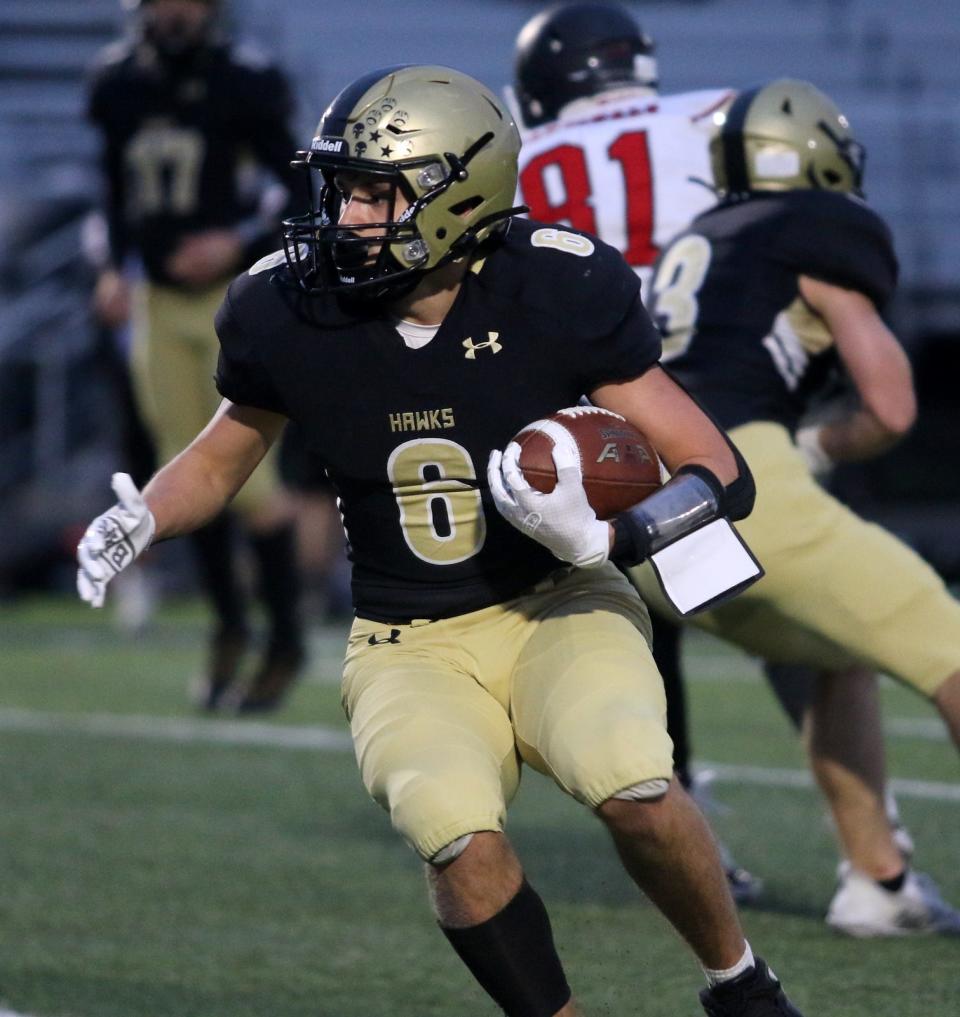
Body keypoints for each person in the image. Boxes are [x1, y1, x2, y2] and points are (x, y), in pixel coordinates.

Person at [76, 64, 805, 1017]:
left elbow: (720, 471)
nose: (346, 215)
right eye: (341, 188)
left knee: (627, 774)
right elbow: (219, 459)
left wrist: (610, 532)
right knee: (451, 827)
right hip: (404, 636)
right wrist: (144, 517)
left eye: (379, 191)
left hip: (559, 601)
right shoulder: (285, 306)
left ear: (460, 195)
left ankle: (740, 982)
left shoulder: (556, 284)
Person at [511, 0, 923, 923]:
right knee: (808, 611)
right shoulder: (715, 115)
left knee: (635, 628)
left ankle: (690, 828)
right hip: (719, 410)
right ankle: (878, 860)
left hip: (594, 426)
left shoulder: (521, 161)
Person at [631, 76, 960, 937]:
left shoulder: (695, 237)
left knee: (834, 653)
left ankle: (880, 886)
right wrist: (821, 445)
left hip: (653, 516)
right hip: (744, 478)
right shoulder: (816, 229)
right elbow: (891, 410)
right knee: (952, 649)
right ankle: (878, 879)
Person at [86, 0, 306, 711]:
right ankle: (231, 627)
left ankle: (286, 639)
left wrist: (237, 244)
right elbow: (114, 191)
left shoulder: (247, 79)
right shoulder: (116, 81)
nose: (176, 11)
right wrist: (113, 266)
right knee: (181, 470)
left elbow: (299, 187)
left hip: (233, 298)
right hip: (155, 299)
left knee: (254, 484)